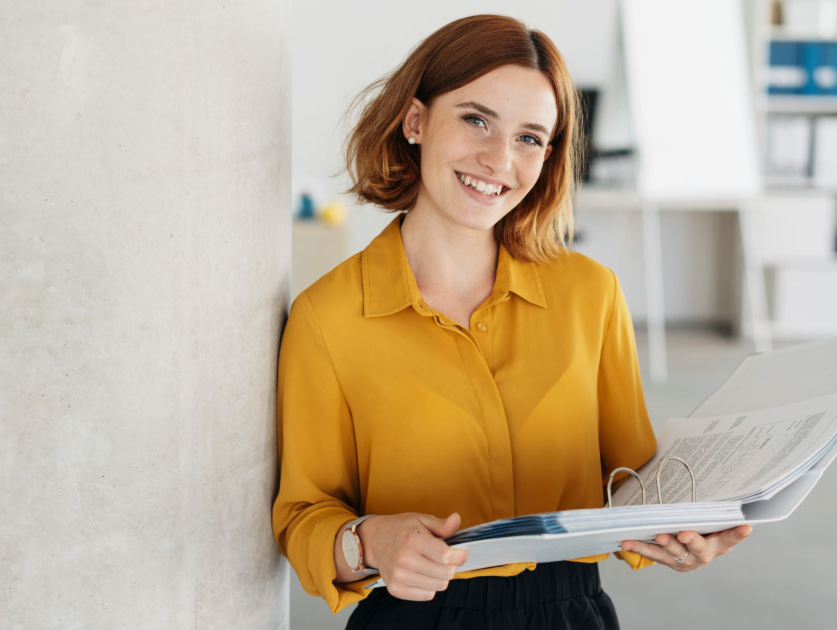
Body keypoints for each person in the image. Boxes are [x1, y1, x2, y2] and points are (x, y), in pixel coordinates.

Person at [271, 14, 751, 629]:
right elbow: (302, 514)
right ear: (415, 121)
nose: (499, 159)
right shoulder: (327, 318)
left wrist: (684, 532)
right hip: (413, 619)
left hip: (571, 613)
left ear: (548, 155)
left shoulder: (591, 294)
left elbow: (632, 480)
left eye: (529, 138)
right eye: (476, 120)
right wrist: (367, 543)